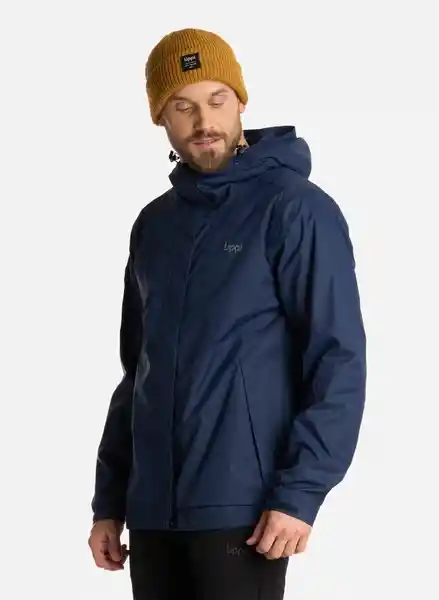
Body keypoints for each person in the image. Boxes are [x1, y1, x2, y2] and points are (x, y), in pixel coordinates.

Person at [88, 28, 367, 600]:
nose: (203, 121)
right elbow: (137, 373)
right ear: (160, 118)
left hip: (246, 510)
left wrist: (300, 493)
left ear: (240, 102)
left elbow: (337, 360)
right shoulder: (154, 225)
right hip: (153, 514)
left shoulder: (295, 209)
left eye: (217, 100)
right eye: (182, 106)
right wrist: (110, 501)